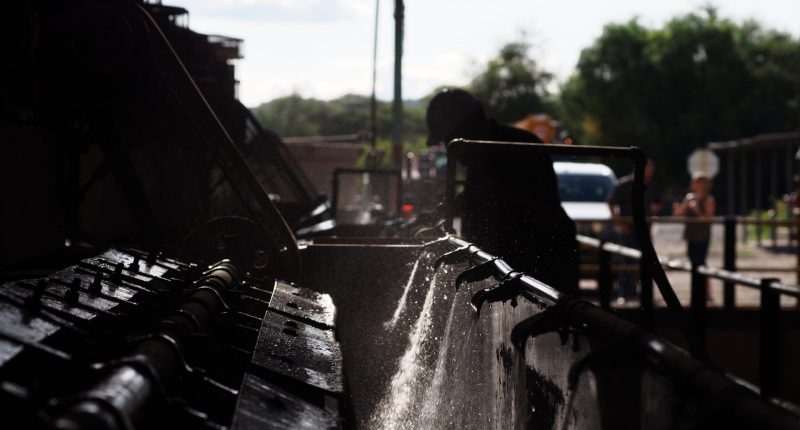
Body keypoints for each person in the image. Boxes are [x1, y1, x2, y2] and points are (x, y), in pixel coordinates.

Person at [426, 88, 578, 292]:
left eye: (448, 139)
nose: (449, 148)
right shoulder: (480, 156)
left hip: (540, 270)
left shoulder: (517, 148)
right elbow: (482, 199)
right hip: (513, 269)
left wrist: (489, 200)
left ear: (467, 126)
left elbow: (537, 212)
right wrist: (455, 206)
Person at [606, 159, 662, 302]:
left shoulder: (651, 185)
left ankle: (644, 294)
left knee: (647, 261)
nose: (651, 172)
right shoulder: (624, 184)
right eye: (648, 168)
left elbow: (658, 203)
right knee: (627, 261)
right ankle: (624, 293)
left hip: (645, 230)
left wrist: (654, 210)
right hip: (628, 229)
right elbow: (611, 203)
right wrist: (619, 223)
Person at [673, 171, 716, 268]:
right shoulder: (689, 197)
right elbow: (679, 216)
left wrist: (697, 210)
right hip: (690, 234)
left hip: (702, 235)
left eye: (695, 181)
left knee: (700, 262)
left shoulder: (709, 199)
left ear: (703, 184)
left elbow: (708, 220)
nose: (692, 184)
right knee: (692, 261)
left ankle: (704, 283)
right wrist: (677, 210)